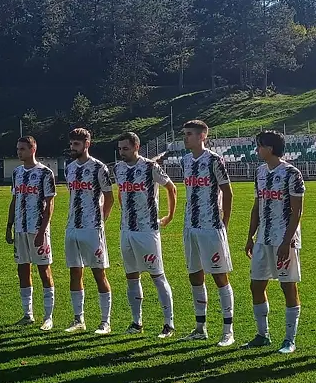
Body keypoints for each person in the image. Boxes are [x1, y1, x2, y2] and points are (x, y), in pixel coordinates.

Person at [245, 132, 305, 354]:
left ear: (269, 148)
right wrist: (250, 236)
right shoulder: (259, 172)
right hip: (263, 238)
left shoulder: (292, 173)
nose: (257, 150)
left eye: (259, 146)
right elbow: (256, 206)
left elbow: (297, 211)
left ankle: (290, 339)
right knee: (256, 285)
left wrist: (287, 242)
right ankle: (263, 334)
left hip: (284, 239)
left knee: (287, 286)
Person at [114, 131, 177, 338]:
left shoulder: (150, 167)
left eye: (126, 148)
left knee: (157, 276)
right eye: (120, 148)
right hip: (126, 230)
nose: (122, 152)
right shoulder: (119, 168)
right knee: (131, 277)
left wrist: (168, 216)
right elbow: (121, 193)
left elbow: (171, 188)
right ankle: (136, 322)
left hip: (147, 230)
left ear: (136, 147)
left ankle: (169, 324)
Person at [179, 120, 236, 346]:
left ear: (203, 135)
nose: (186, 137)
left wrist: (225, 222)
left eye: (190, 134)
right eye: (184, 134)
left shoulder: (214, 160)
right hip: (190, 226)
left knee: (219, 276)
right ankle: (200, 327)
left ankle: (227, 330)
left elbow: (227, 192)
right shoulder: (185, 160)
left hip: (211, 226)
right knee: (194, 274)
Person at [62, 127, 115, 335]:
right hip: (72, 227)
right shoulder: (70, 168)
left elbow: (109, 198)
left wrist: (101, 220)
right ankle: (79, 319)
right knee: (75, 272)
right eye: (71, 143)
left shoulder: (99, 168)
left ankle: (105, 322)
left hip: (92, 228)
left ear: (87, 144)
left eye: (76, 144)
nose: (73, 147)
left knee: (98, 273)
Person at [5, 136, 56, 329]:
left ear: (33, 149)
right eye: (18, 149)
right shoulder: (17, 172)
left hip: (37, 230)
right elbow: (14, 200)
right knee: (23, 270)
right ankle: (28, 314)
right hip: (20, 229)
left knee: (44, 270)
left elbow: (50, 204)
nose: (19, 152)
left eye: (22, 149)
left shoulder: (45, 173)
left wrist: (42, 231)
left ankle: (48, 316)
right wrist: (9, 226)